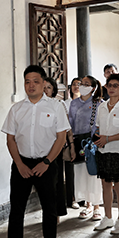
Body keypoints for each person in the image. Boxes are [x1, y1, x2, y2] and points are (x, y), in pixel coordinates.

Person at [1, 65, 70, 238]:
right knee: (17, 211)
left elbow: (61, 138)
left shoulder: (56, 107)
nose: (31, 85)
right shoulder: (16, 109)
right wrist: (20, 164)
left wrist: (47, 162)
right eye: (27, 82)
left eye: (36, 81)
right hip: (21, 164)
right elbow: (10, 139)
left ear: (43, 83)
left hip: (47, 164)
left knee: (49, 209)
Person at [93, 73, 119, 234]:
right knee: (105, 185)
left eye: (115, 86)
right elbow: (98, 127)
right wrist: (98, 138)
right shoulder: (102, 107)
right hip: (104, 151)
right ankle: (107, 217)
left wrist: (108, 139)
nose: (111, 89)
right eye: (109, 85)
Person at [68, 75, 104, 221]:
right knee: (81, 173)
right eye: (81, 83)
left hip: (93, 143)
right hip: (78, 143)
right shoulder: (74, 103)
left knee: (93, 173)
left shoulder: (99, 103)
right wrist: (71, 143)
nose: (82, 86)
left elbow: (102, 124)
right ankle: (87, 205)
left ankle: (97, 207)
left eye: (86, 84)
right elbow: (70, 124)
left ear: (93, 88)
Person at [43, 77, 69, 222]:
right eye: (44, 87)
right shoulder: (35, 106)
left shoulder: (59, 105)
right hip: (41, 150)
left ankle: (56, 213)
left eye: (49, 87)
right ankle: (47, 212)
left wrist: (70, 144)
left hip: (55, 148)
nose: (45, 90)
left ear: (53, 90)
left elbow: (65, 129)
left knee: (56, 182)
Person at [64, 77, 81, 209]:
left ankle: (83, 198)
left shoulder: (86, 103)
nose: (76, 86)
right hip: (70, 138)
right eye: (74, 84)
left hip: (83, 138)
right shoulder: (66, 103)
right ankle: (72, 198)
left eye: (79, 84)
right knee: (70, 170)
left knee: (82, 170)